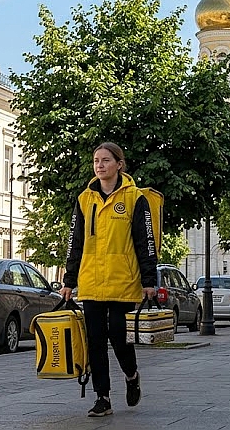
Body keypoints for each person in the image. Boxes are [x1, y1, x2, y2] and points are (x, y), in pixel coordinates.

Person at [60, 142, 158, 418]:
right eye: (96, 161)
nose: (99, 165)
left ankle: (131, 374)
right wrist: (69, 279)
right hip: (91, 281)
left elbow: (145, 241)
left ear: (119, 164)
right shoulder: (84, 200)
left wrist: (149, 279)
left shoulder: (135, 198)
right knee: (95, 342)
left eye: (105, 160)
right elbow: (74, 243)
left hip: (123, 282)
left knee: (119, 337)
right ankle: (102, 397)